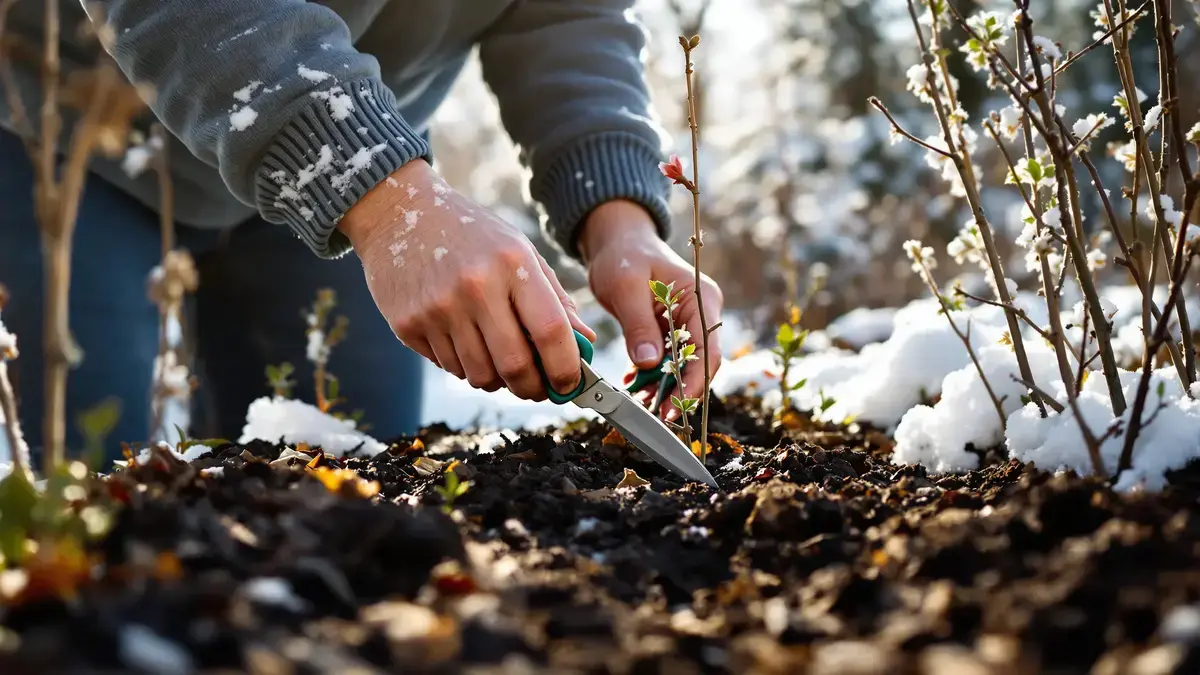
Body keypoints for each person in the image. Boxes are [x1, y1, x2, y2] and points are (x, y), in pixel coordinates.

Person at [0, 0, 723, 460]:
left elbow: (566, 17)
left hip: (349, 173)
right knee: (87, 481)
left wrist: (617, 221)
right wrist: (388, 201)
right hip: (75, 137)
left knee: (353, 471)